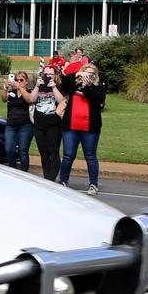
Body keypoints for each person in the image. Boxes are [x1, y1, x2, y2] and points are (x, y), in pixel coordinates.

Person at [58, 63, 106, 195]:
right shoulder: (74, 85)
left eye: (92, 74)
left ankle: (93, 184)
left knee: (90, 156)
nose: (88, 76)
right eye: (86, 73)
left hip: (90, 128)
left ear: (95, 76)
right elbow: (64, 83)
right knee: (68, 155)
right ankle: (63, 181)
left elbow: (98, 100)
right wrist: (77, 75)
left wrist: (87, 86)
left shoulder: (98, 88)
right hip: (71, 126)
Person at [28, 65, 65, 181]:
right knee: (43, 153)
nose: (48, 76)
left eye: (50, 74)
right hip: (39, 124)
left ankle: (51, 179)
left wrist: (54, 87)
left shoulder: (58, 86)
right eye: (46, 74)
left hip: (54, 124)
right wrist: (37, 86)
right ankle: (46, 177)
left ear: (55, 75)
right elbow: (32, 99)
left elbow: (61, 101)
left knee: (53, 151)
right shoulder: (39, 85)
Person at [0, 71, 35, 171]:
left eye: (21, 80)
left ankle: (24, 172)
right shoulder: (12, 93)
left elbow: (29, 100)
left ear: (26, 82)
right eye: (16, 80)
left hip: (25, 125)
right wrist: (5, 87)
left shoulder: (30, 91)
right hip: (11, 125)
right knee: (9, 149)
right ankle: (13, 170)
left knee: (23, 150)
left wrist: (20, 88)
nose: (18, 81)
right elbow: (3, 99)